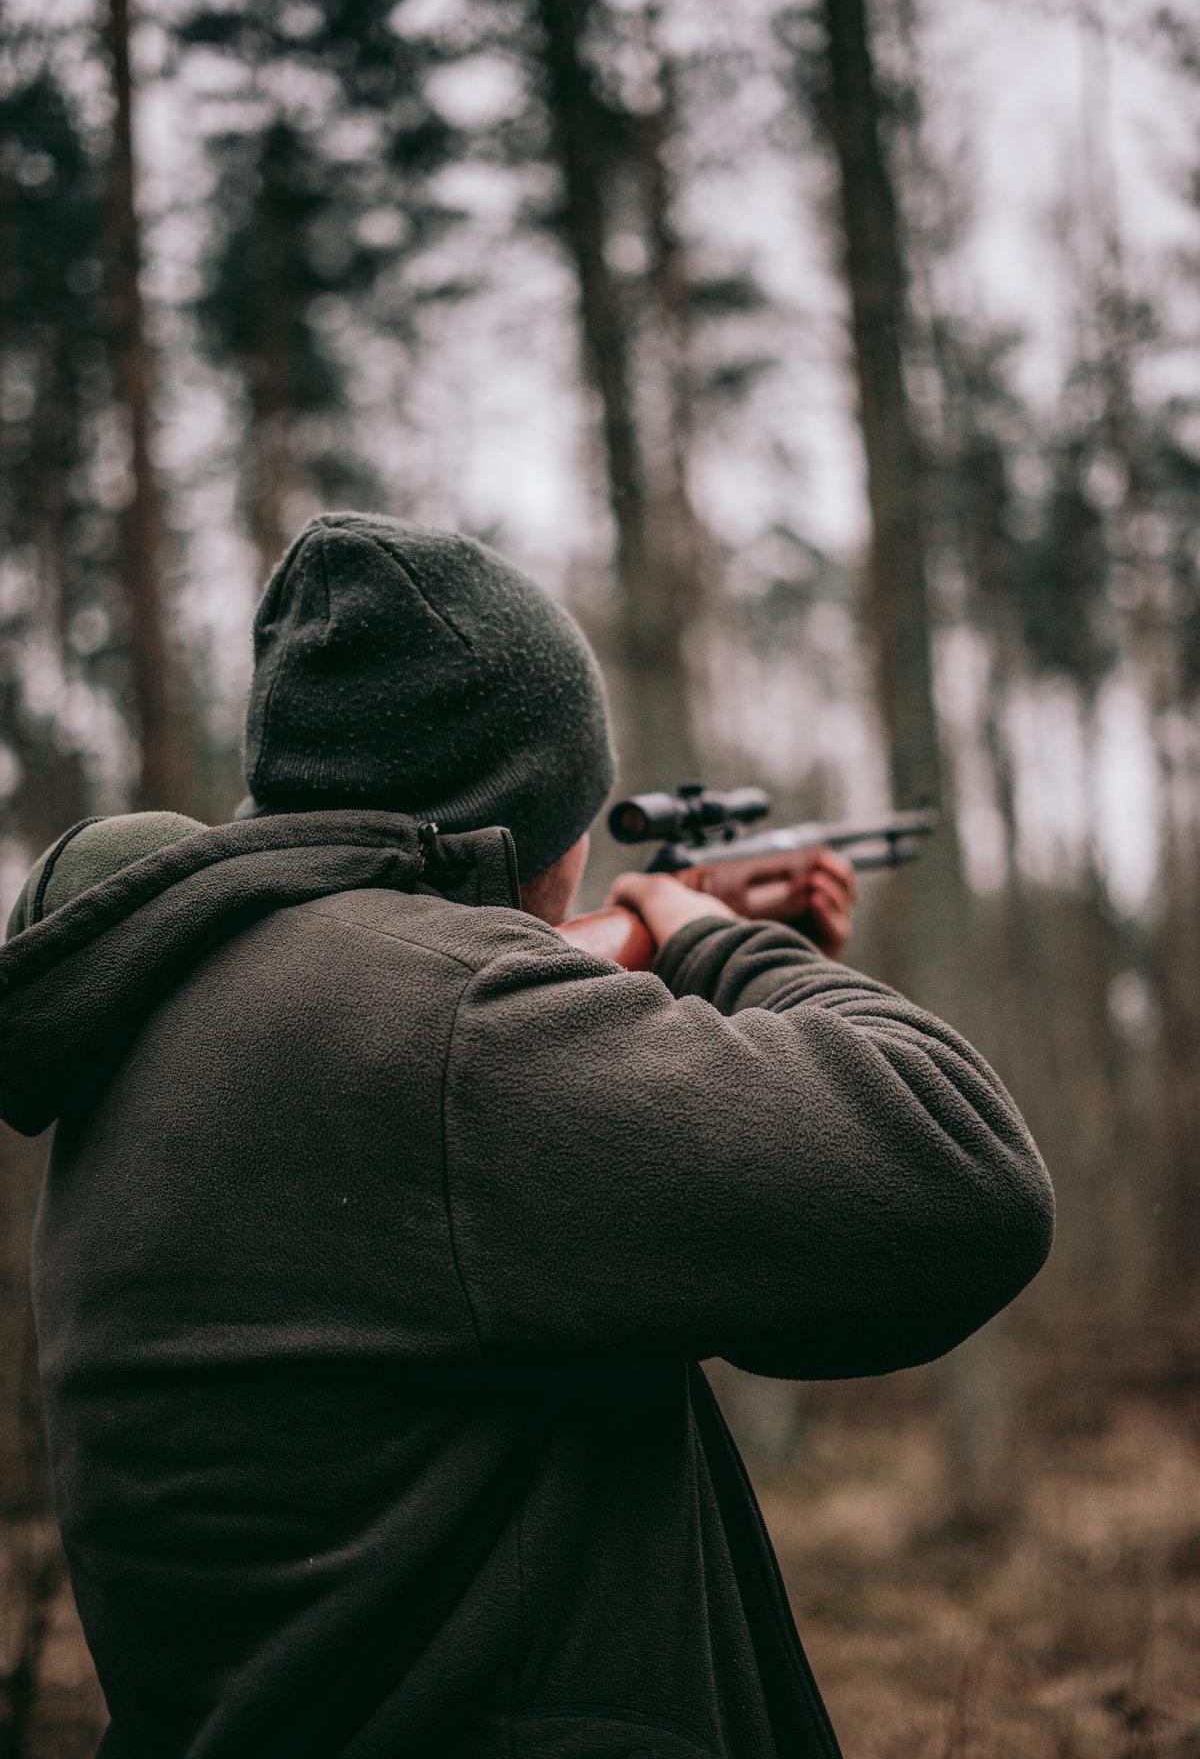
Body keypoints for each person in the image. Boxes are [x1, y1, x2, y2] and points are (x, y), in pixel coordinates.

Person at [0, 511, 1054, 1759]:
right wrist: (716, 945)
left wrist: (671, 977)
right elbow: (966, 1176)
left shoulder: (182, 1006)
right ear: (528, 816)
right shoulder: (446, 1027)